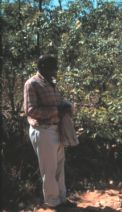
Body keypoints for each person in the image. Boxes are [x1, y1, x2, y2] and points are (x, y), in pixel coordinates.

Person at [23, 54, 76, 209]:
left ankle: (62, 199)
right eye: (53, 66)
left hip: (56, 128)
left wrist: (66, 106)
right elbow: (30, 110)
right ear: (43, 66)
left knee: (59, 166)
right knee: (49, 169)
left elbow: (57, 104)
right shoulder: (32, 83)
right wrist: (57, 110)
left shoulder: (51, 82)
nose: (56, 69)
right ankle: (53, 202)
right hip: (43, 130)